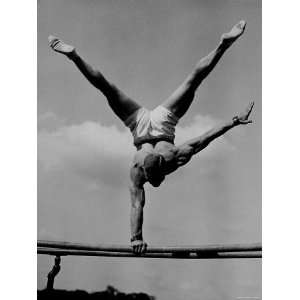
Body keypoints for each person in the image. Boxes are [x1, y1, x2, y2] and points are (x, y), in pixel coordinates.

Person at [48, 20, 254, 254]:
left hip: (147, 124)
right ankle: (222, 46)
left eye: (152, 180)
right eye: (153, 180)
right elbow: (205, 138)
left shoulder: (148, 165)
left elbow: (139, 202)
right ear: (152, 173)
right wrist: (233, 122)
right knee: (188, 81)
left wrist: (136, 238)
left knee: (111, 87)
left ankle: (74, 56)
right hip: (149, 123)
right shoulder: (167, 159)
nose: (153, 183)